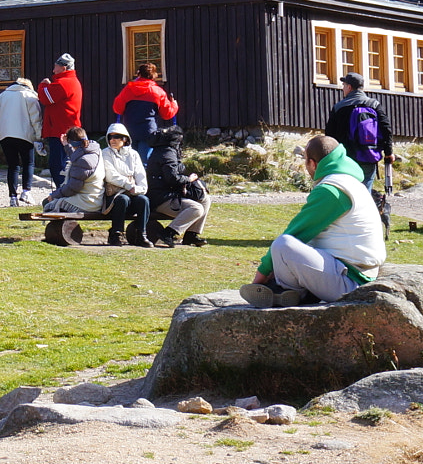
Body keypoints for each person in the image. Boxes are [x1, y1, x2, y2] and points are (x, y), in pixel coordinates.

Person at [243, 134, 387, 306]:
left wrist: (261, 275)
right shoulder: (350, 182)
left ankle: (289, 292)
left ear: (312, 163)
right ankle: (296, 291)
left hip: (350, 282)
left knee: (283, 245)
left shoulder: (332, 190)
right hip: (356, 272)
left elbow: (296, 232)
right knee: (302, 246)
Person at [324, 71, 395, 215]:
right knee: (365, 191)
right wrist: (389, 153)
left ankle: (348, 224)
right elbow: (386, 129)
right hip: (368, 156)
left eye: (344, 85)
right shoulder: (374, 104)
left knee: (346, 192)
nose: (343, 88)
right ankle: (365, 223)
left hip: (345, 159)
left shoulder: (339, 108)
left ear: (349, 87)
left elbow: (329, 136)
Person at [143, 126, 209, 247]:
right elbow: (172, 178)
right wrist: (189, 179)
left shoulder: (165, 150)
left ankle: (191, 235)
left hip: (169, 194)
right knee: (196, 208)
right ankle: (168, 233)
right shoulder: (167, 152)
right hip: (160, 198)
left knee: (204, 199)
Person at [94, 121, 151, 246]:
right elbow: (110, 175)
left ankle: (142, 234)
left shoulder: (134, 154)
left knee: (143, 200)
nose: (113, 140)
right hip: (114, 195)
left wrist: (140, 189)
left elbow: (140, 174)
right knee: (122, 199)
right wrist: (129, 184)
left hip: (132, 192)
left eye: (116, 137)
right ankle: (116, 234)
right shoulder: (105, 153)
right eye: (110, 137)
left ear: (125, 139)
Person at [112, 63, 179, 165]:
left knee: (129, 162)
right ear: (154, 76)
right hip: (148, 131)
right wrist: (174, 105)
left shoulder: (127, 90)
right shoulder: (157, 92)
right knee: (145, 163)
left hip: (129, 130)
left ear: (138, 74)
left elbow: (117, 109)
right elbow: (167, 114)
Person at [0, 75, 38, 205]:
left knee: (13, 165)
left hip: (5, 135)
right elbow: (36, 119)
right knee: (28, 163)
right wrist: (39, 136)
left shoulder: (3, 95)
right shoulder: (30, 95)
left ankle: (13, 197)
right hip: (24, 134)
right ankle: (26, 192)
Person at [37, 54, 83, 182]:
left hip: (60, 130)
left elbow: (45, 98)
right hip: (66, 128)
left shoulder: (63, 83)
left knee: (58, 165)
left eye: (56, 67)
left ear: (64, 68)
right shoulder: (71, 82)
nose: (53, 70)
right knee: (65, 162)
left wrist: (43, 85)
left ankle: (62, 192)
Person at [42, 126, 102, 217]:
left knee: (47, 203)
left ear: (72, 143)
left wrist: (54, 195)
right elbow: (77, 157)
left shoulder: (83, 161)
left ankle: (61, 229)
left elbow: (73, 188)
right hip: (95, 197)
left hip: (87, 202)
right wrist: (67, 145)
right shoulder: (94, 150)